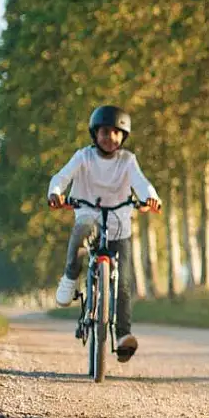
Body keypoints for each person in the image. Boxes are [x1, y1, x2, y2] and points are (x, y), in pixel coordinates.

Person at [48, 105, 162, 363]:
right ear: (94, 133)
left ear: (123, 136)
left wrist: (151, 199)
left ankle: (123, 336)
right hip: (88, 214)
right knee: (82, 230)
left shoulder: (127, 160)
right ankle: (69, 278)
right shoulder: (84, 157)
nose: (110, 137)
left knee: (123, 283)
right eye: (104, 132)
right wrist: (55, 193)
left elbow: (142, 183)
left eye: (116, 133)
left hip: (119, 223)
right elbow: (61, 177)